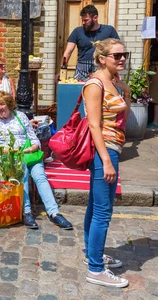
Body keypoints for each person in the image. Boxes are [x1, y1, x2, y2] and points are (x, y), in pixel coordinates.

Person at [82, 38, 130, 288]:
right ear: (102, 58)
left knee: (95, 205)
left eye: (124, 55)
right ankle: (96, 269)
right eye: (117, 55)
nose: (122, 59)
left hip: (113, 148)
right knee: (103, 211)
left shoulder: (113, 83)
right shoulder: (95, 84)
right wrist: (106, 162)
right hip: (105, 151)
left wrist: (127, 91)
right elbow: (93, 125)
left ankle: (93, 254)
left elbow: (124, 117)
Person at [0, 91, 73, 231]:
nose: (0, 108)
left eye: (2, 104)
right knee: (23, 173)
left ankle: (54, 212)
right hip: (9, 157)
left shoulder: (20, 116)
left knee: (40, 176)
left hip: (28, 154)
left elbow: (33, 138)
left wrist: (34, 146)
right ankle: (26, 212)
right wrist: (11, 151)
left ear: (9, 105)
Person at [61, 4, 120, 81]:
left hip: (102, 67)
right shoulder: (77, 31)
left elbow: (117, 51)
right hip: (82, 69)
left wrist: (116, 71)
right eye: (82, 20)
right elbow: (68, 52)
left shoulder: (109, 30)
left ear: (95, 18)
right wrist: (61, 71)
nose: (83, 22)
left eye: (86, 20)